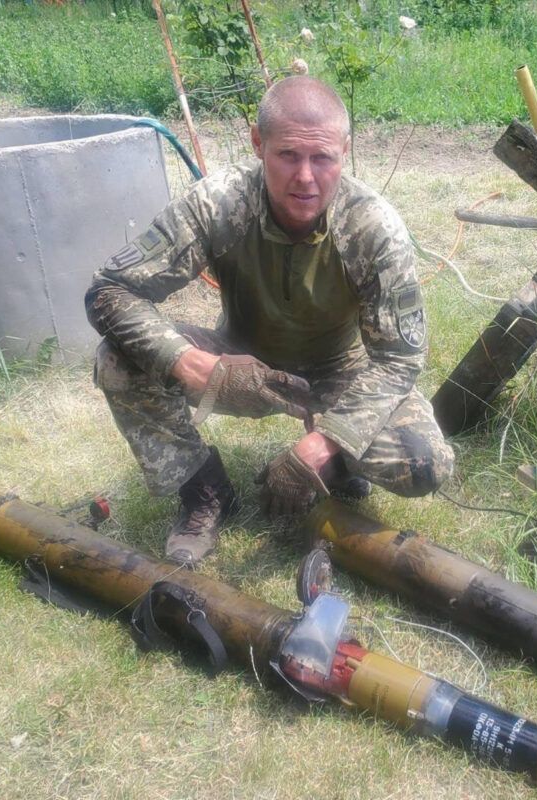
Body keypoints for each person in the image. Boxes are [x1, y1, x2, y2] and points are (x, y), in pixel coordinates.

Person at [85, 76, 454, 566]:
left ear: (345, 151)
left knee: (423, 463)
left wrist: (328, 442)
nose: (305, 177)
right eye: (287, 155)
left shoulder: (373, 227)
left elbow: (399, 358)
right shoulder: (218, 203)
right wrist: (190, 364)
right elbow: (111, 288)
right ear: (258, 145)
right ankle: (204, 489)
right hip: (239, 363)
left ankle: (337, 467)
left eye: (322, 158)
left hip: (338, 373)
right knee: (118, 359)